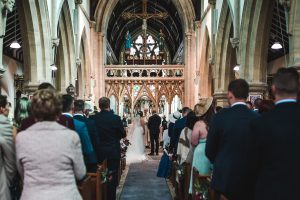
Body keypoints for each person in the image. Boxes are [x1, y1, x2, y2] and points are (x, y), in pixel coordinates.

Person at [16, 89, 86, 199]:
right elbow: (80, 173)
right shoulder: (71, 136)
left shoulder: (21, 137)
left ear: (33, 110)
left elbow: (21, 172)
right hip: (65, 195)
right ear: (58, 111)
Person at [247, 67, 300, 199]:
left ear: (274, 89)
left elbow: (251, 164)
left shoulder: (260, 124)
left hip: (270, 192)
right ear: (298, 88)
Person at [205, 79, 259, 200]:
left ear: (230, 94)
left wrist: (222, 161)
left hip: (224, 180)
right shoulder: (257, 118)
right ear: (246, 95)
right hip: (249, 180)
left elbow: (209, 150)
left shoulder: (220, 117)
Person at [92, 97, 126, 200]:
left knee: (101, 177)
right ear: (109, 105)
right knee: (111, 178)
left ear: (99, 106)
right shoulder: (115, 118)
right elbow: (122, 133)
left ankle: (101, 196)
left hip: (99, 153)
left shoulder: (93, 118)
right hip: (112, 152)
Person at [62, 95, 96, 171]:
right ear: (72, 106)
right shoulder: (79, 125)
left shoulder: (51, 124)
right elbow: (88, 150)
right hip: (74, 167)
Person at [189, 98, 214, 194]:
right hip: (213, 151)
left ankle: (198, 194)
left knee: (199, 178)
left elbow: (194, 142)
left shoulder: (199, 124)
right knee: (209, 179)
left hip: (201, 153)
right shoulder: (215, 122)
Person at [73, 99, 98, 172]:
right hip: (87, 160)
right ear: (84, 110)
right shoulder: (90, 123)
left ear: (73, 109)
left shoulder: (69, 121)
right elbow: (95, 142)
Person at [0, 95, 17, 200]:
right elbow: (10, 158)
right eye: (7, 105)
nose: (8, 108)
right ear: (1, 108)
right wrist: (7, 181)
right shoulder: (3, 124)